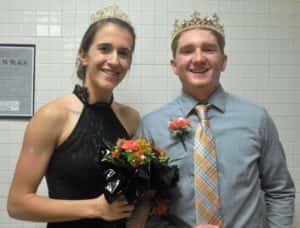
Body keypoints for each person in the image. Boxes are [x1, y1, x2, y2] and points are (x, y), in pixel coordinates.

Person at [135, 11, 295, 227]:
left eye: (209, 49)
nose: (199, 58)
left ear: (223, 61)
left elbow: (280, 191)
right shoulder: (151, 126)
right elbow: (142, 204)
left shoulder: (256, 119)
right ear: (174, 65)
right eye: (187, 50)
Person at [7, 4, 147, 228]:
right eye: (104, 49)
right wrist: (96, 208)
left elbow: (136, 194)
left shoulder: (132, 119)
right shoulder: (52, 116)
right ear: (83, 55)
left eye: (123, 53)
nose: (114, 60)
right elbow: (18, 204)